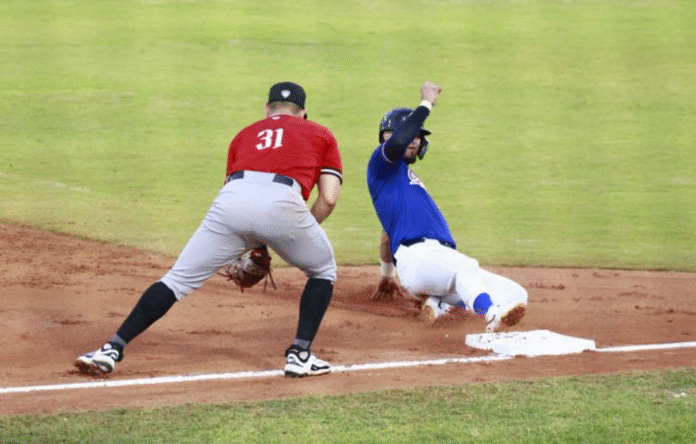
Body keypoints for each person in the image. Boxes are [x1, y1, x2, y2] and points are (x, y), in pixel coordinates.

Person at [76, 81, 343, 378]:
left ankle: (110, 349)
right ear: (303, 112)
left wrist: (256, 243)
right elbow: (329, 198)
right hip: (284, 202)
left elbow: (241, 201)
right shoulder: (321, 133)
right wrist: (294, 234)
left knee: (176, 280)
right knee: (322, 270)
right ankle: (299, 355)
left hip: (232, 200)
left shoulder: (244, 135)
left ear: (267, 109)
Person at [367, 81, 527, 331]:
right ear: (387, 137)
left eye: (418, 136)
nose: (414, 140)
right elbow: (397, 143)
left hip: (434, 263)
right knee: (466, 269)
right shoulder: (381, 165)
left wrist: (387, 275)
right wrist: (426, 103)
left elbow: (387, 234)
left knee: (516, 294)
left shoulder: (401, 183)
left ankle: (439, 304)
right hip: (418, 255)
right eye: (410, 134)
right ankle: (490, 314)